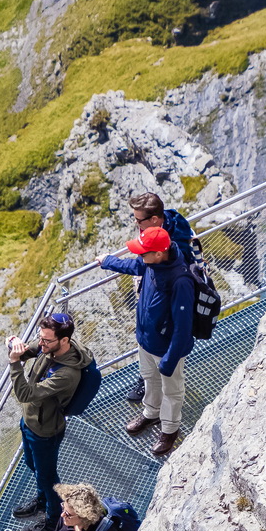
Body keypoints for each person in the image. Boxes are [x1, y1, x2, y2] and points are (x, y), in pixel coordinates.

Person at [100, 222, 197, 457]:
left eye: (143, 252)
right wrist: (107, 261)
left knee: (172, 390)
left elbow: (183, 329)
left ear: (159, 252)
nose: (139, 255)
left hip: (166, 349)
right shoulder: (151, 263)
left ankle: (170, 430)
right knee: (149, 379)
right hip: (146, 340)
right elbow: (132, 265)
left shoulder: (180, 281)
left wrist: (169, 360)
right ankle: (151, 413)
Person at [6, 311, 93, 531]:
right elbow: (29, 350)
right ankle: (43, 499)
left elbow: (25, 393)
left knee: (47, 477)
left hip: (45, 430)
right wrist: (16, 345)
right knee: (31, 464)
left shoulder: (67, 373)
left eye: (46, 340)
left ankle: (54, 518)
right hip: (30, 421)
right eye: (40, 337)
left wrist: (14, 362)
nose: (41, 343)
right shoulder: (52, 346)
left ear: (64, 340)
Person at [124, 193, 199, 404]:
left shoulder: (175, 241)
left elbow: (165, 267)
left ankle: (158, 383)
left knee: (164, 333)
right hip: (154, 283)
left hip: (168, 293)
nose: (136, 223)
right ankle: (150, 385)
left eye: (139, 220)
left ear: (155, 220)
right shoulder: (155, 225)